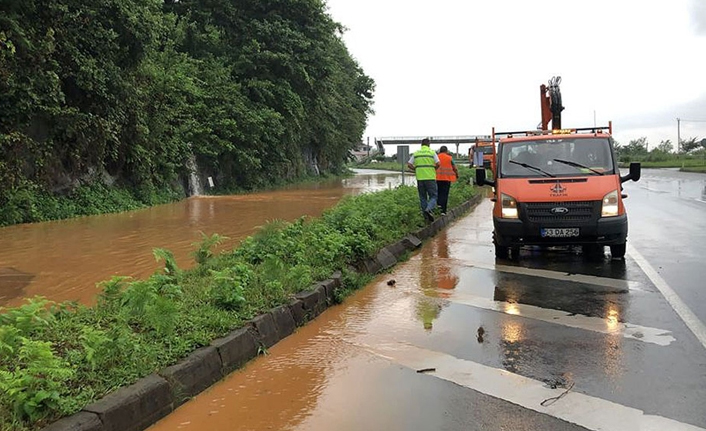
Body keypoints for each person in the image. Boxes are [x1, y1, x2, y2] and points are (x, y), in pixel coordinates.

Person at [408, 138, 440, 223]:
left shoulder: (416, 153)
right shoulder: (432, 152)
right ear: (429, 144)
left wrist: (416, 169)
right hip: (430, 178)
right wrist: (433, 169)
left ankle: (426, 217)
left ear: (421, 144)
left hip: (420, 178)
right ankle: (429, 209)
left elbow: (409, 164)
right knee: (433, 196)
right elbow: (438, 163)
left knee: (423, 197)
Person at [436, 146, 459, 215]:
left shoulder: (436, 157)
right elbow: (455, 168)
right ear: (446, 151)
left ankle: (437, 210)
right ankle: (443, 211)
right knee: (444, 195)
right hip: (446, 179)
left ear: (440, 151)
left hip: (436, 178)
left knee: (437, 194)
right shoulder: (449, 158)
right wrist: (457, 175)